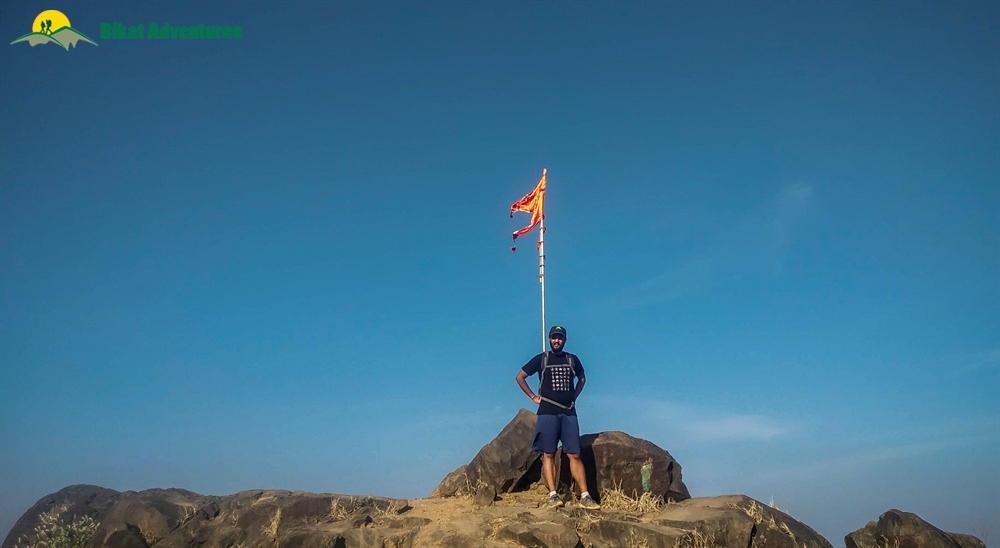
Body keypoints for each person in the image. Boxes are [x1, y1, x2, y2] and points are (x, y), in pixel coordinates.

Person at [515, 325, 601, 510]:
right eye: (554, 337)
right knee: (549, 453)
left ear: (565, 340)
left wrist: (574, 396)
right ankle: (553, 494)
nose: (557, 341)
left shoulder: (572, 359)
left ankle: (585, 495)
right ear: (549, 339)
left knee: (574, 453)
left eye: (560, 338)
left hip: (568, 412)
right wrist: (533, 397)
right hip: (547, 412)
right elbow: (520, 376)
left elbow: (582, 378)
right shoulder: (542, 359)